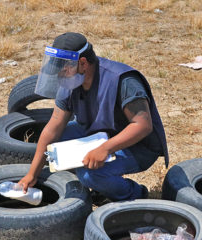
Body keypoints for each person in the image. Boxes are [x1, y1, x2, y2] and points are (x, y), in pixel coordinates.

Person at [18, 32, 169, 201]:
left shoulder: (122, 80)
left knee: (89, 174)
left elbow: (142, 126)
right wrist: (32, 174)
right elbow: (53, 129)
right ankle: (102, 183)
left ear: (83, 63)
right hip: (99, 133)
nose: (61, 74)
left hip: (138, 146)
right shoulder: (71, 80)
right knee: (54, 147)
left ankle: (135, 193)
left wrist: (104, 149)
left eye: (64, 69)